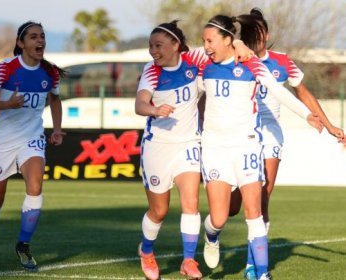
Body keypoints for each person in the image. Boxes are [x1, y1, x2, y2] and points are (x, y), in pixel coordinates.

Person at [199, 14, 323, 280]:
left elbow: (280, 92)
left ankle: (262, 273)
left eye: (210, 40)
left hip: (247, 146)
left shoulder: (252, 64)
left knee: (255, 211)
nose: (206, 46)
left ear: (226, 39)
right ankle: (211, 236)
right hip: (215, 149)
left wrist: (307, 116)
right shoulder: (202, 64)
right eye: (204, 41)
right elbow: (177, 57)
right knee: (219, 218)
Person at [227, 8, 346, 279]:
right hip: (239, 135)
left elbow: (304, 93)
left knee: (263, 196)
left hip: (270, 136)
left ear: (266, 35)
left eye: (260, 32)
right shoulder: (233, 59)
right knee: (234, 207)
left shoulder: (282, 62)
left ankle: (255, 266)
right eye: (250, 33)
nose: (256, 37)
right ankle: (221, 219)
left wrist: (329, 126)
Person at [135, 20, 252, 280]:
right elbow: (140, 103)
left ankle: (188, 260)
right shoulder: (151, 71)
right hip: (157, 148)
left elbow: (224, 44)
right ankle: (146, 251)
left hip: (188, 144)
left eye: (159, 45)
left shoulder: (194, 59)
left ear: (176, 45)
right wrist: (154, 109)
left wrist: (241, 43)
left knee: (191, 205)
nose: (153, 51)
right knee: (159, 211)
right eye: (150, 46)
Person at [0, 21, 66, 271]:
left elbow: (55, 99)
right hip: (2, 142)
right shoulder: (6, 68)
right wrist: (6, 105)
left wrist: (57, 128)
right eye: (34, 36)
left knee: (35, 187)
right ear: (21, 43)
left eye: (43, 36)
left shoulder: (51, 72)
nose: (40, 41)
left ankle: (23, 246)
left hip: (32, 138)